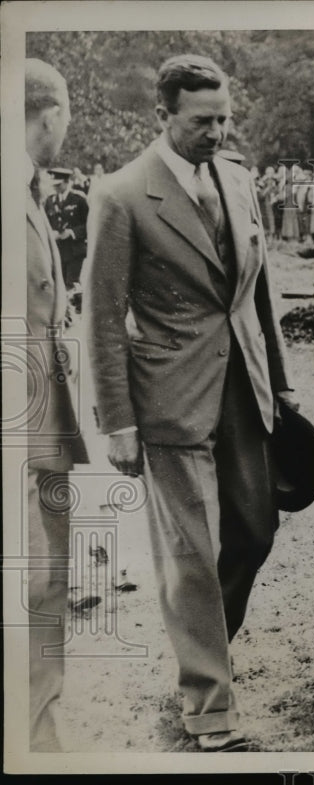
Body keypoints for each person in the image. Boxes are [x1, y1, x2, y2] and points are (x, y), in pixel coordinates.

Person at [86, 54, 294, 751]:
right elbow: (102, 316)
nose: (218, 131)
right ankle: (209, 708)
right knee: (191, 556)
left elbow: (260, 291)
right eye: (202, 120)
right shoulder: (121, 195)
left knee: (257, 530)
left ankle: (203, 647)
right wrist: (116, 420)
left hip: (243, 386)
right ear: (163, 116)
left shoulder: (238, 179)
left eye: (225, 117)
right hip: (169, 398)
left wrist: (282, 380)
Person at [22, 57, 89, 753]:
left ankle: (41, 722)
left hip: (44, 424)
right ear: (53, 114)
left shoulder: (31, 190)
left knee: (47, 576)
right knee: (39, 575)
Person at [44, 167, 88, 303]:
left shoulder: (78, 199)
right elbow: (47, 223)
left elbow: (89, 224)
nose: (56, 188)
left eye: (59, 185)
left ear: (67, 182)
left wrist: (71, 232)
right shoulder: (50, 201)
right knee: (58, 284)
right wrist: (51, 232)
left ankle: (74, 314)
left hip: (75, 250)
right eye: (54, 185)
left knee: (71, 284)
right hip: (57, 251)